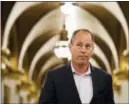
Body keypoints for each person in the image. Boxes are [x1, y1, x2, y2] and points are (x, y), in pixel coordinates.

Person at [38, 29, 115, 104]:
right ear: (70, 47)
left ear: (92, 50)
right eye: (79, 45)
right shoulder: (54, 77)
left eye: (88, 46)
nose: (83, 50)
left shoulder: (104, 79)